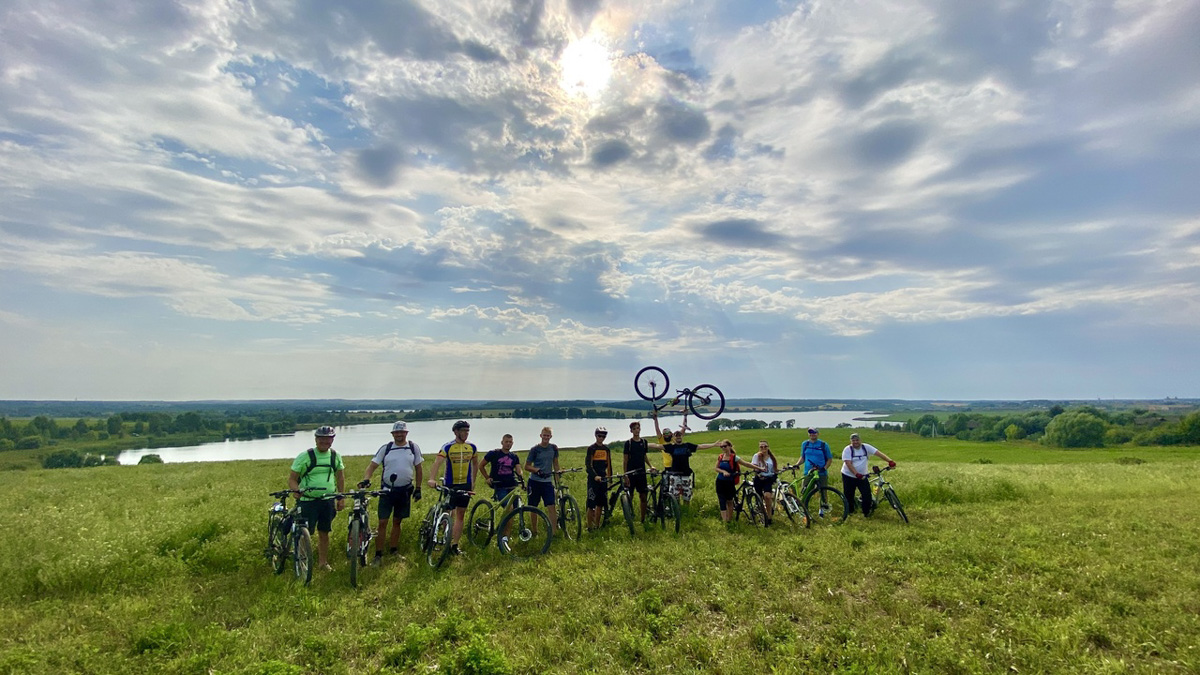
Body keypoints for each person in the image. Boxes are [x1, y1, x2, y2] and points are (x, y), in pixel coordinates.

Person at [361, 421, 423, 565]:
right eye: (396, 433)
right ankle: (378, 554)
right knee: (382, 522)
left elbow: (419, 469)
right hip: (387, 490)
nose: (399, 435)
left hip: (405, 490)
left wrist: (418, 488)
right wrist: (366, 479)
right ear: (392, 434)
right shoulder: (386, 448)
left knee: (397, 521)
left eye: (402, 432)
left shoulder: (413, 448)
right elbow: (372, 466)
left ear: (406, 433)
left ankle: (394, 550)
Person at [288, 425, 345, 571]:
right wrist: (296, 490)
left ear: (332, 440)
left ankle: (323, 562)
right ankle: (301, 561)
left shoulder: (334, 456)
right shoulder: (305, 456)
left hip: (328, 500)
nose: (325, 442)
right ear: (316, 439)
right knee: (304, 532)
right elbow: (293, 479)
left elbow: (340, 476)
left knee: (324, 532)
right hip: (308, 501)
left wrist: (340, 496)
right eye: (322, 439)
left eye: (328, 439)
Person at [426, 420, 480, 555]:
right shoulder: (448, 447)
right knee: (449, 512)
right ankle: (445, 538)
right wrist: (432, 478)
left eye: (467, 431)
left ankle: (454, 545)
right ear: (456, 432)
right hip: (450, 484)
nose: (466, 434)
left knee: (461, 514)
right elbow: (437, 462)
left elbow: (475, 464)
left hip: (465, 484)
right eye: (463, 431)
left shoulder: (472, 447)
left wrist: (473, 482)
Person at [661, 428, 722, 504]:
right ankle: (676, 512)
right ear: (674, 437)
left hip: (686, 474)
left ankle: (686, 511)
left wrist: (713, 445)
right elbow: (657, 446)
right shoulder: (671, 447)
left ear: (682, 436)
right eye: (676, 436)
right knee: (674, 497)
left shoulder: (687, 445)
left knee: (687, 496)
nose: (678, 437)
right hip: (675, 475)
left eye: (679, 436)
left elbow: (701, 446)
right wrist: (645, 444)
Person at [841, 433, 896, 517]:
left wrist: (890, 461)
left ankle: (866, 513)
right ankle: (850, 513)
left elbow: (879, 453)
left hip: (862, 476)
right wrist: (856, 474)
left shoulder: (866, 447)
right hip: (848, 475)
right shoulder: (847, 449)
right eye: (853, 440)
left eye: (857, 440)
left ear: (860, 440)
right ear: (851, 441)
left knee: (867, 495)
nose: (855, 442)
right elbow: (848, 464)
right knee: (849, 495)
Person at [524, 426, 561, 536]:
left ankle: (553, 533)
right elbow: (526, 466)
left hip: (547, 482)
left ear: (551, 436)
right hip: (534, 481)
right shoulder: (535, 449)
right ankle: (534, 531)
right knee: (533, 507)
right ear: (541, 436)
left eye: (548, 435)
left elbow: (555, 463)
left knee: (551, 506)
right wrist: (536, 470)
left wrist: (558, 478)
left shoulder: (554, 448)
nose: (546, 437)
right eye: (544, 435)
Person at [714, 440, 757, 522]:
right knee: (722, 500)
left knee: (729, 500)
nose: (723, 448)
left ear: (730, 446)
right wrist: (723, 472)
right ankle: (725, 520)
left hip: (729, 482)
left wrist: (759, 468)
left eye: (725, 446)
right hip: (720, 481)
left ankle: (729, 519)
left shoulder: (734, 457)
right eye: (721, 446)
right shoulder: (720, 457)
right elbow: (716, 468)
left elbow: (746, 464)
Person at [622, 421, 657, 522]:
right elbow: (625, 459)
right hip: (631, 473)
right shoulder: (628, 443)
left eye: (638, 428)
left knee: (643, 496)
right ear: (631, 431)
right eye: (634, 429)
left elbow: (644, 456)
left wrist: (651, 466)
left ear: (640, 429)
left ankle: (642, 519)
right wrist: (625, 474)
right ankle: (629, 517)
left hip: (641, 472)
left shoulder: (644, 442)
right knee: (630, 496)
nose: (636, 430)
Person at [800, 427, 834, 515]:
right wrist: (797, 464)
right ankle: (803, 510)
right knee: (805, 491)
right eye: (810, 433)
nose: (812, 435)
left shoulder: (823, 445)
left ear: (818, 434)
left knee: (823, 492)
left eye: (814, 433)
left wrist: (825, 468)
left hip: (821, 473)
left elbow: (829, 459)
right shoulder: (805, 444)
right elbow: (803, 457)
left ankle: (823, 511)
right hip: (808, 472)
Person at [481, 433, 523, 504]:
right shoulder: (493, 453)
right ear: (502, 442)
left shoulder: (514, 456)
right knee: (509, 508)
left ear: (512, 443)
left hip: (512, 485)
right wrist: (487, 478)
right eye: (506, 442)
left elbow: (518, 469)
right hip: (499, 486)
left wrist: (520, 476)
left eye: (510, 442)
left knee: (518, 507)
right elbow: (481, 466)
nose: (508, 444)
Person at [585, 427, 613, 530]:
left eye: (603, 436)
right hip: (593, 479)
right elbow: (588, 465)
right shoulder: (591, 448)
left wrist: (610, 478)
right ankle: (589, 526)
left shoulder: (606, 449)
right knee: (591, 504)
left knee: (601, 504)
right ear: (596, 435)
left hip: (603, 478)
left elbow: (609, 464)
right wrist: (594, 475)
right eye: (599, 436)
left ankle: (597, 525)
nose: (601, 438)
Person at [751, 440, 781, 525]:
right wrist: (758, 472)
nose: (763, 448)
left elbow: (774, 469)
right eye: (761, 447)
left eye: (765, 446)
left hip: (768, 479)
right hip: (759, 479)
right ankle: (762, 514)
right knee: (759, 498)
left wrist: (779, 470)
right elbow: (754, 467)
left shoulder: (772, 457)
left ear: (768, 447)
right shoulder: (757, 456)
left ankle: (769, 517)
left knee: (767, 496)